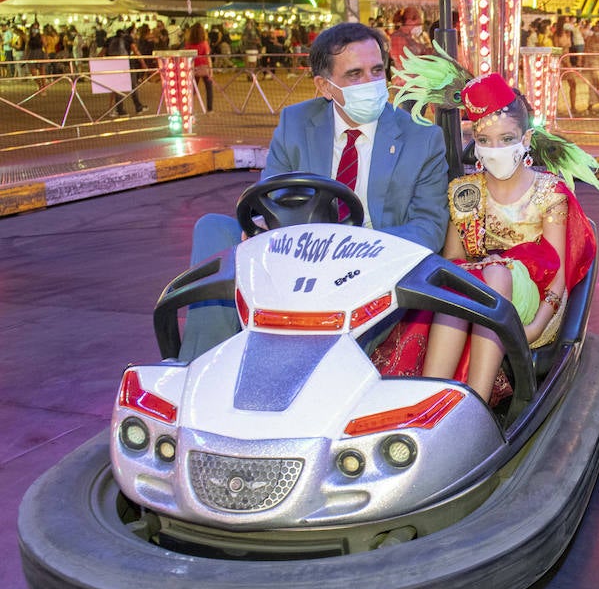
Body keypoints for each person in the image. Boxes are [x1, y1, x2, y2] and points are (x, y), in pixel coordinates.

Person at [178, 21, 450, 361]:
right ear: (324, 86)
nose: (371, 83)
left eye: (377, 70)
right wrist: (262, 225)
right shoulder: (295, 123)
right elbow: (270, 198)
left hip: (368, 268)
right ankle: (203, 361)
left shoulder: (421, 138)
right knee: (212, 228)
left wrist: (356, 247)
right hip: (299, 256)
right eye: (355, 75)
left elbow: (428, 227)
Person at [370, 73, 599, 401]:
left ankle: (476, 400)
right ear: (474, 141)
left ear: (526, 139)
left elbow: (558, 280)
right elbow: (453, 259)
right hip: (474, 297)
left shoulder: (548, 192)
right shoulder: (464, 192)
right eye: (485, 140)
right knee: (459, 277)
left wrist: (535, 327)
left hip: (534, 305)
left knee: (494, 273)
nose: (496, 150)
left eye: (507, 139)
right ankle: (430, 399)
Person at [183, 22, 214, 113]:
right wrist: (211, 70)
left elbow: (187, 58)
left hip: (193, 68)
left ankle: (188, 107)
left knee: (191, 89)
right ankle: (209, 109)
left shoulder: (188, 44)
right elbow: (208, 57)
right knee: (209, 88)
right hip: (204, 67)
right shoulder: (204, 43)